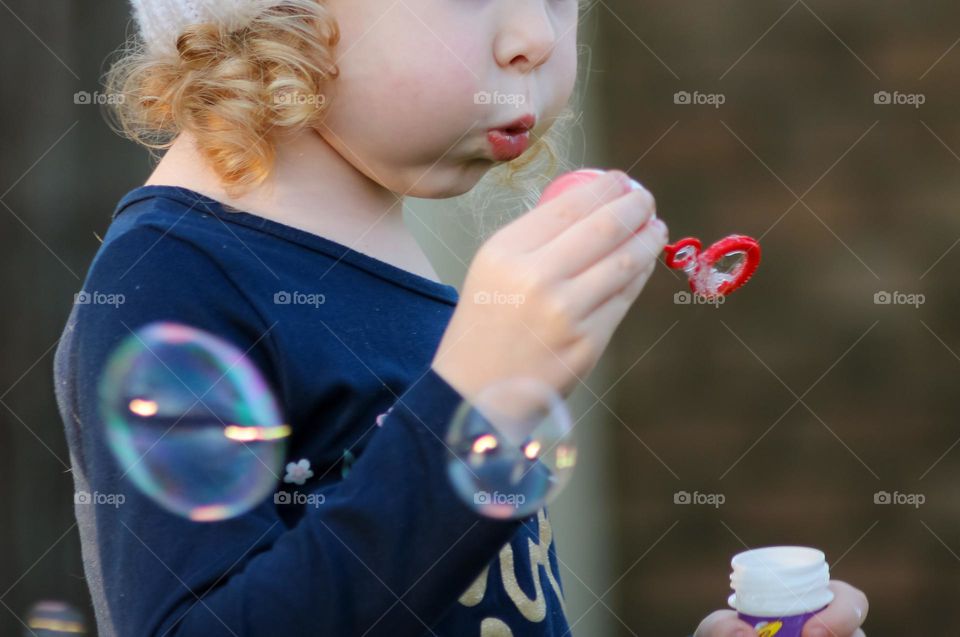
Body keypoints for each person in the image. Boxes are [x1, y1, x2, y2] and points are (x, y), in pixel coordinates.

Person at [53, 0, 867, 635]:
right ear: (271, 18)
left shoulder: (385, 260)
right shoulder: (172, 278)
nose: (535, 39)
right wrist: (474, 404)